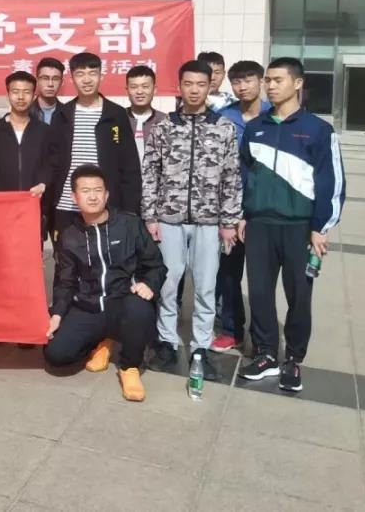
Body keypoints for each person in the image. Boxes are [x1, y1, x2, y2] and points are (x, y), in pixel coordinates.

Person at [237, 58, 345, 393]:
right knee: (259, 293)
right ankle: (266, 354)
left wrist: (320, 227)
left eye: (278, 80)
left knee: (299, 296)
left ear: (298, 83)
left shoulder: (318, 130)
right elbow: (244, 174)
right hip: (260, 224)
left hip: (299, 226)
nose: (270, 86)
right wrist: (243, 214)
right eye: (268, 80)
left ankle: (294, 359)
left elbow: (331, 181)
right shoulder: (256, 127)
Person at [142, 60, 241, 381]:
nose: (194, 90)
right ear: (179, 86)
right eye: (188, 84)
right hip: (168, 219)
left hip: (209, 222)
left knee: (206, 286)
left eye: (201, 84)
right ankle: (167, 341)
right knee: (168, 284)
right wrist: (150, 216)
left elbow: (231, 176)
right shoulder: (163, 127)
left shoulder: (223, 127)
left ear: (210, 86)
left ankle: (201, 345)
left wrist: (229, 220)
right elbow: (150, 173)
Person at [44, 165, 165, 402]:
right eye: (86, 191)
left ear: (106, 194)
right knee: (56, 355)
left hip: (123, 303)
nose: (93, 196)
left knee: (140, 308)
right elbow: (65, 282)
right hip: (88, 306)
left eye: (98, 190)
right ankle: (102, 342)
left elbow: (156, 265)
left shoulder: (130, 225)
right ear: (74, 197)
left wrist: (148, 283)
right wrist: (57, 314)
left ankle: (129, 367)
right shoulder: (69, 236)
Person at [212, 60, 270, 353]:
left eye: (248, 80)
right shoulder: (224, 117)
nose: (242, 86)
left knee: (262, 278)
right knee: (228, 273)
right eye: (236, 81)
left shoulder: (276, 116)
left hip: (264, 209)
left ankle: (263, 338)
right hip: (230, 209)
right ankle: (231, 330)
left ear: (261, 81)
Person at [50, 52, 140, 236]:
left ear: (101, 75)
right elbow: (52, 161)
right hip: (67, 205)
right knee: (67, 254)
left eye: (92, 73)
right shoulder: (62, 114)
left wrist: (130, 210)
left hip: (104, 205)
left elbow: (129, 166)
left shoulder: (116, 114)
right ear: (72, 78)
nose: (87, 80)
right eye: (80, 74)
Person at [0, 70, 57, 234]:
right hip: (4, 204)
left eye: (26, 92)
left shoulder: (44, 131)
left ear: (34, 95)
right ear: (8, 95)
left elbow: (50, 163)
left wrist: (43, 183)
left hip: (35, 204)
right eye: (15, 92)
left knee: (32, 247)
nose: (21, 97)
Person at [125, 65, 166, 161]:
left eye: (145, 87)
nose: (139, 92)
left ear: (154, 89)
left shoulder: (165, 121)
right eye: (134, 87)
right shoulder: (116, 119)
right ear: (127, 90)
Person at [30, 57, 65, 125]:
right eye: (45, 78)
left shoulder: (67, 113)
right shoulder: (25, 112)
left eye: (55, 79)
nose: (50, 84)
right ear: (37, 81)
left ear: (61, 82)